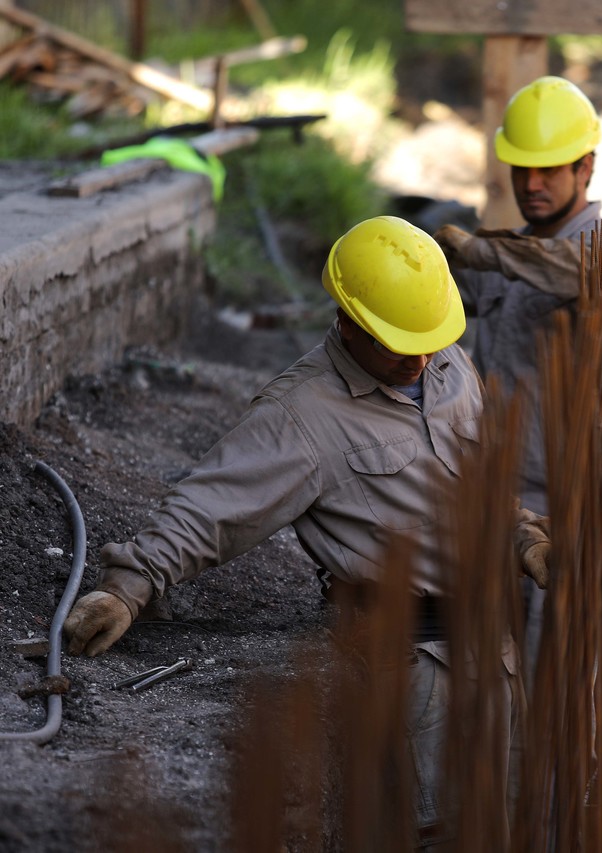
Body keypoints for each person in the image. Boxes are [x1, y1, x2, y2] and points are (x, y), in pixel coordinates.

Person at [60, 215, 550, 845]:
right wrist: (128, 585)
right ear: (349, 319)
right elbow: (214, 504)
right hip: (416, 663)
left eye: (429, 339)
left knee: (506, 824)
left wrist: (523, 533)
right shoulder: (302, 415)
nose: (421, 358)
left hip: (494, 646)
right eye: (400, 344)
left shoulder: (446, 363)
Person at [432, 75, 602, 519]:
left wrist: (480, 250)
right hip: (495, 475)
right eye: (522, 169)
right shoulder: (510, 254)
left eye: (547, 170)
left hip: (566, 491)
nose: (531, 185)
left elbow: (575, 270)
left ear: (585, 167)